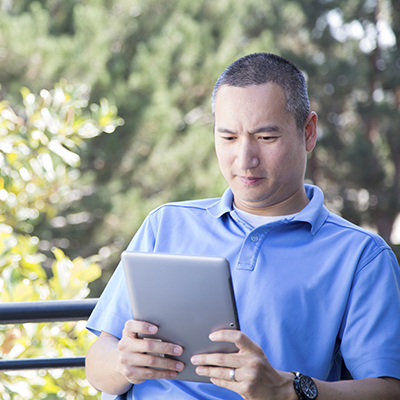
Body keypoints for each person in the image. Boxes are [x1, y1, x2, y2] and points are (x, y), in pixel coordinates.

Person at [85, 53, 400, 400]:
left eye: (266, 138)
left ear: (307, 132)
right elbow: (98, 363)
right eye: (229, 138)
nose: (244, 159)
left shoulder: (360, 256)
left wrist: (289, 389)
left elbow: (388, 390)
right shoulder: (167, 224)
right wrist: (121, 364)